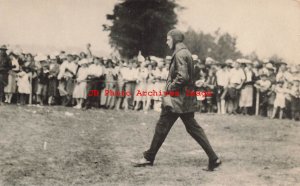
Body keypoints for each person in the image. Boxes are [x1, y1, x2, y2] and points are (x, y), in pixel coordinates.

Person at [134, 29, 221, 171]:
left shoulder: (179, 54)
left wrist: (170, 89)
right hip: (184, 99)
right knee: (193, 129)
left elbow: (183, 77)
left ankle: (148, 157)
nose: (166, 42)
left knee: (162, 126)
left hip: (176, 99)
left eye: (168, 39)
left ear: (174, 39)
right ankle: (213, 158)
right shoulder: (185, 53)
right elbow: (188, 78)